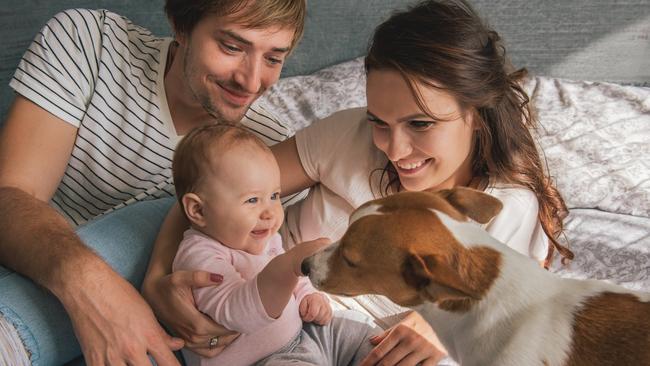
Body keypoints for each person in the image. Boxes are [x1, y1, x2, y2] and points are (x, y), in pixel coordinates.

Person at [146, 0, 575, 365]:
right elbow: (213, 190)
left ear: (477, 116)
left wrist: (436, 327)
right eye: (379, 122)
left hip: (363, 347)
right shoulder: (347, 136)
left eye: (420, 124)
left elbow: (509, 312)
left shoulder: (508, 207)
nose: (394, 149)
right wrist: (158, 277)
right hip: (265, 311)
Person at [0, 0, 306, 364]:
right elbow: (10, 197)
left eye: (273, 59)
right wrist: (94, 288)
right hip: (24, 283)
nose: (251, 81)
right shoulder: (92, 44)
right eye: (232, 47)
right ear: (181, 25)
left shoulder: (267, 150)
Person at [170, 124, 379, 365]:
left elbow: (293, 284)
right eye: (252, 200)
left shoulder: (263, 236)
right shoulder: (199, 255)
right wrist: (290, 264)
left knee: (362, 332)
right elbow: (240, 314)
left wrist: (308, 296)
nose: (270, 212)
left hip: (302, 337)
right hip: (262, 360)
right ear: (198, 210)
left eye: (274, 196)